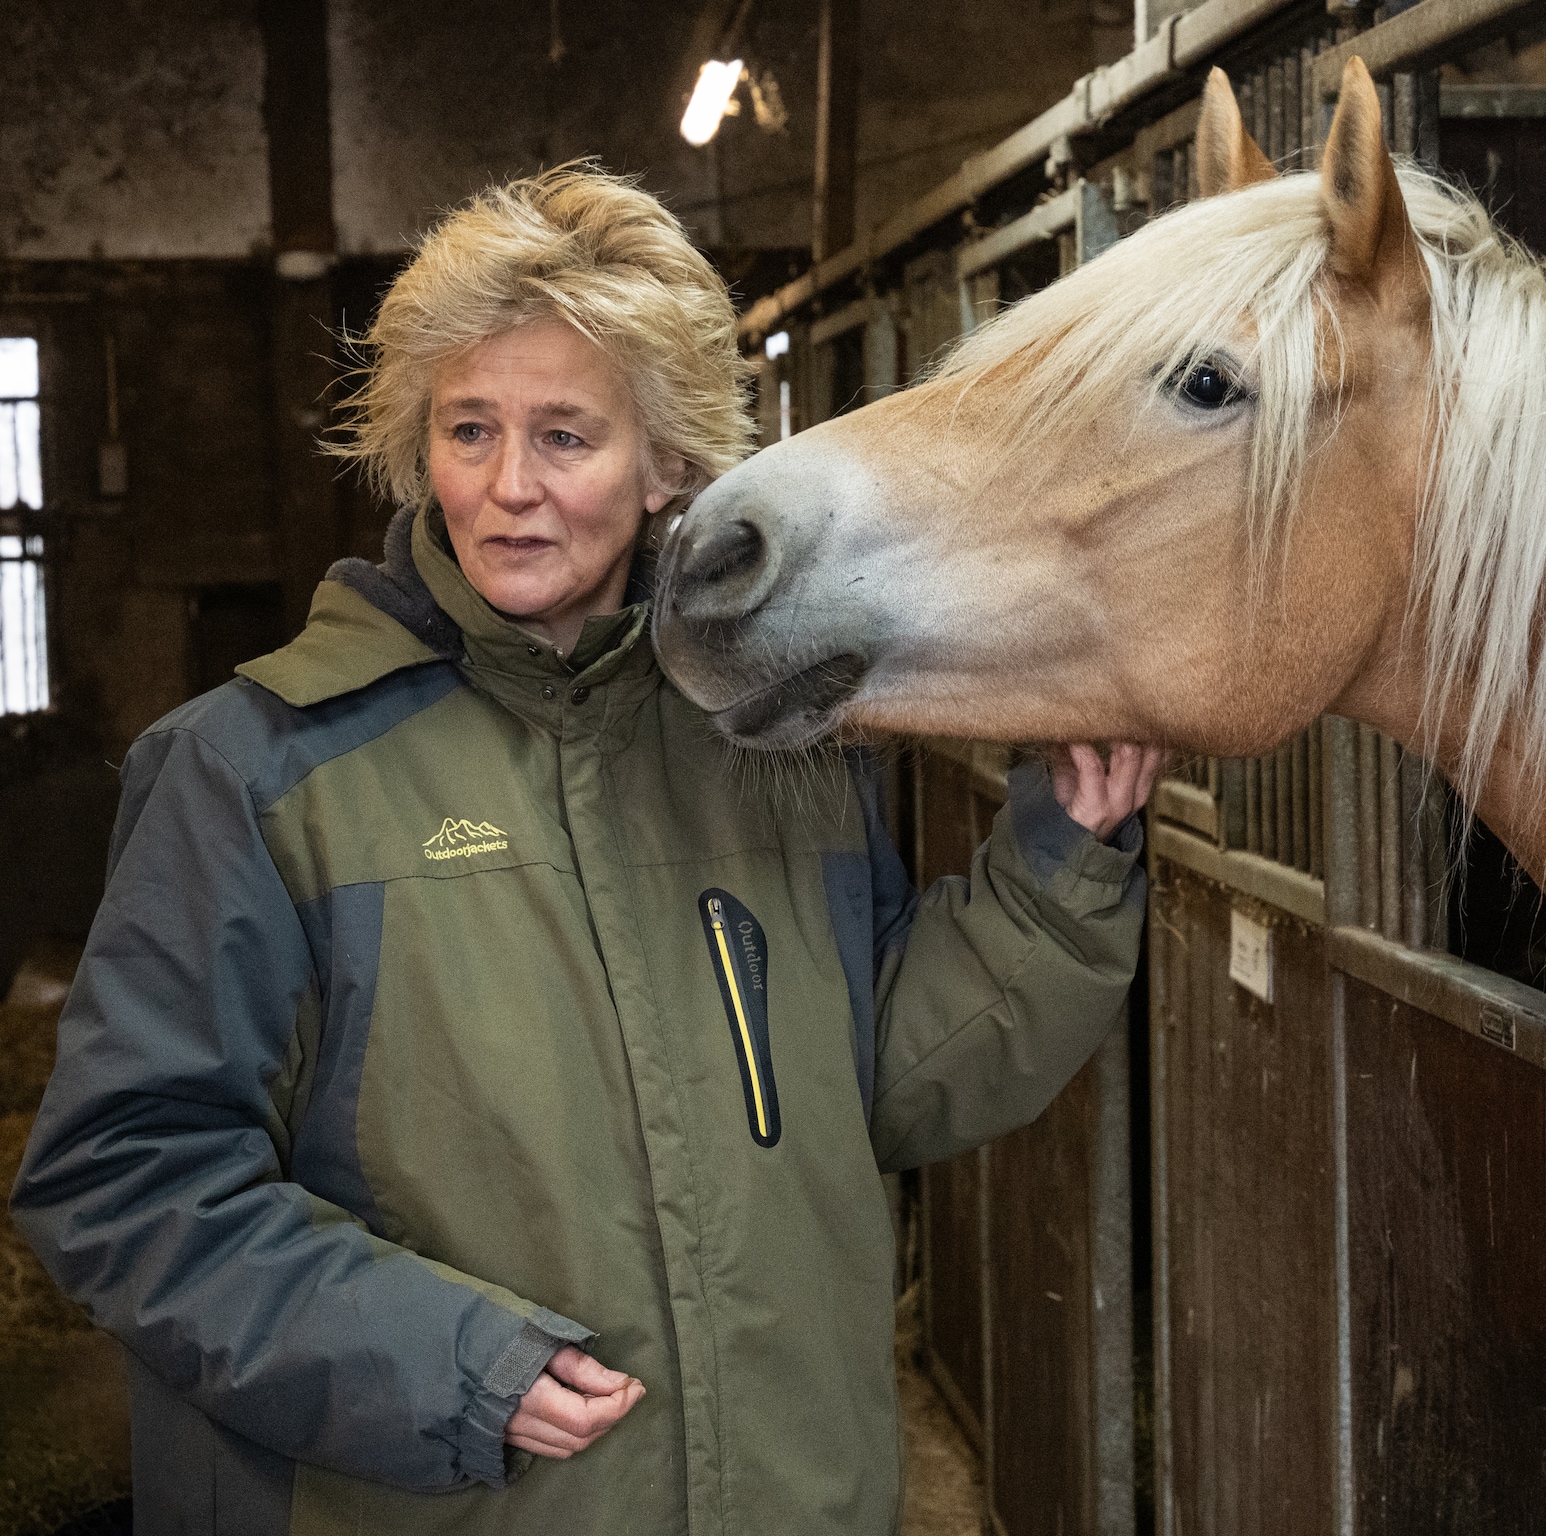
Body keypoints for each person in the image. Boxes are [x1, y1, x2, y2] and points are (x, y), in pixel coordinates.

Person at [10, 164, 1162, 1535]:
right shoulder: (259, 771)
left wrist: (1057, 872)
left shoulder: (771, 751)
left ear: (668, 461)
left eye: (565, 436)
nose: (508, 488)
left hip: (790, 1494)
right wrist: (439, 1363)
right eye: (469, 430)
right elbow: (126, 1172)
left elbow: (881, 1087)